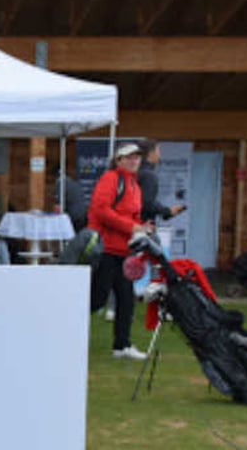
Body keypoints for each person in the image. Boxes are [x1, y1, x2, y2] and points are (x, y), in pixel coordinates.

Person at [87, 142, 151, 360]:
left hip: (123, 251)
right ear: (119, 160)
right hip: (104, 250)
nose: (134, 161)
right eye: (129, 157)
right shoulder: (111, 178)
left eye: (137, 157)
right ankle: (63, 332)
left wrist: (142, 228)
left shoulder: (134, 185)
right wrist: (132, 227)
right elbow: (101, 211)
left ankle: (122, 346)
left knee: (126, 299)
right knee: (97, 298)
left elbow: (132, 217)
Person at [136, 139, 185, 224]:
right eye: (158, 151)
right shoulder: (148, 175)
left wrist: (166, 212)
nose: (159, 156)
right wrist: (166, 211)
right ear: (151, 153)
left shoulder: (134, 171)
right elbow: (147, 202)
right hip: (143, 224)